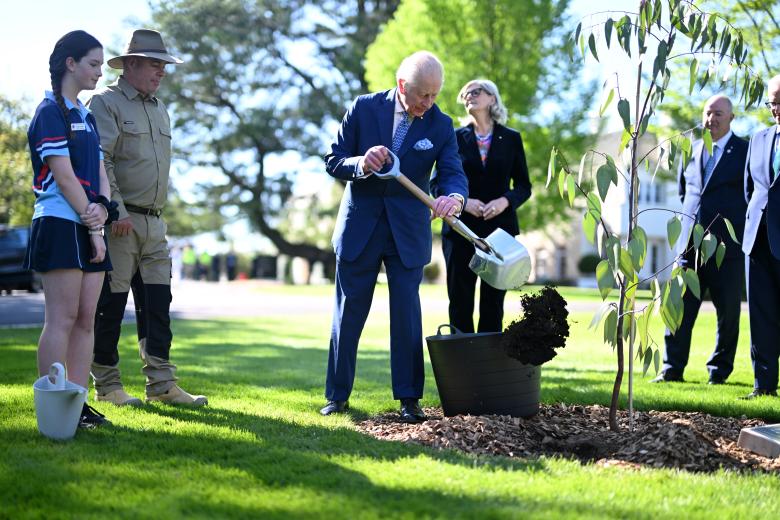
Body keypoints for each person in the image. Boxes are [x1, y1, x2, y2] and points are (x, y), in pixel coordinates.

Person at [321, 51, 468, 423]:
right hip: (360, 229)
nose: (428, 103)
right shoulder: (363, 108)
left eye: (435, 95)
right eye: (423, 95)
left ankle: (409, 400)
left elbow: (451, 172)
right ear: (403, 86)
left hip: (408, 233)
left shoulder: (440, 124)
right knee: (348, 314)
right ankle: (337, 396)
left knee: (407, 317)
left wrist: (454, 197)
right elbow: (333, 159)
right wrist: (360, 163)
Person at [88, 29, 207, 406]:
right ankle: (106, 386)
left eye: (164, 65)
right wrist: (116, 210)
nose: (162, 72)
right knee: (110, 305)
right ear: (132, 64)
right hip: (120, 222)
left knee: (157, 304)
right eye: (156, 64)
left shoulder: (159, 108)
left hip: (155, 224)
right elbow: (100, 159)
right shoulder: (104, 103)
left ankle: (162, 386)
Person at [25, 30, 117, 428]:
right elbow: (63, 178)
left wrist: (104, 211)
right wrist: (93, 222)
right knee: (60, 318)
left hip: (88, 223)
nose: (99, 72)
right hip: (60, 224)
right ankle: (53, 408)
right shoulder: (49, 111)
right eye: (94, 64)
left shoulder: (86, 114)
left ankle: (76, 405)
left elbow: (99, 173)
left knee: (85, 319)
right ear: (71, 64)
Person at [652, 95, 748, 385]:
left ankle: (718, 373)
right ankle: (672, 369)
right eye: (708, 113)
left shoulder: (745, 151)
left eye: (718, 113)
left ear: (731, 117)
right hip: (689, 246)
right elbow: (687, 194)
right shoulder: (691, 151)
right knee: (678, 309)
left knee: (728, 314)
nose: (711, 119)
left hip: (726, 250)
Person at [438, 79, 531, 333]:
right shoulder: (453, 138)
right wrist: (463, 203)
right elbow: (439, 182)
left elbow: (524, 186)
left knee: (493, 304)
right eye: (465, 93)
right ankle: (461, 363)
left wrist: (505, 202)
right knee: (460, 301)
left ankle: (487, 366)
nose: (469, 96)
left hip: (499, 234)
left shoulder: (512, 139)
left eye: (476, 92)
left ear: (492, 98)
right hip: (460, 230)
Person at [741, 74, 780, 399]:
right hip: (757, 239)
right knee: (761, 315)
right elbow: (749, 190)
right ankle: (763, 386)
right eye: (772, 102)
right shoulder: (758, 138)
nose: (776, 108)